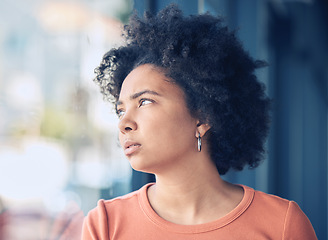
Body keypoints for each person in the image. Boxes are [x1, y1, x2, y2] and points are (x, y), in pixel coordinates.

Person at [82, 4, 317, 239]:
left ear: (203, 116)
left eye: (144, 102)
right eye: (120, 111)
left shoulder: (282, 224)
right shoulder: (104, 224)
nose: (124, 124)